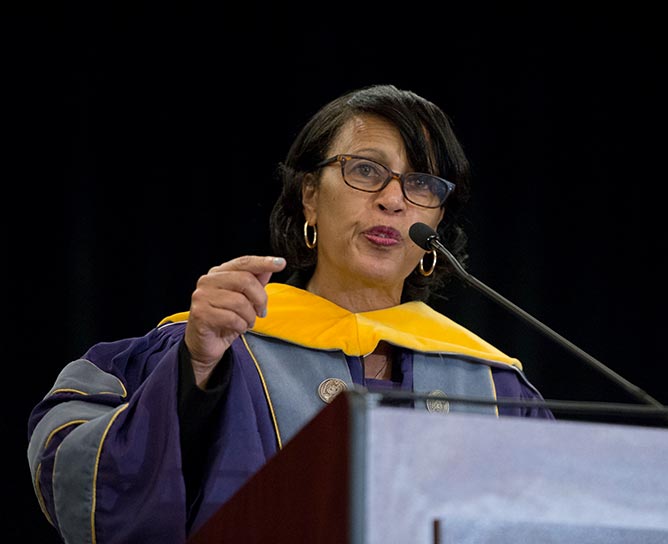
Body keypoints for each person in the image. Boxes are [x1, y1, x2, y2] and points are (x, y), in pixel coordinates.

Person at [27, 83, 555, 543]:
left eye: (422, 184)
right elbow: (73, 459)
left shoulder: (491, 385)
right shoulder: (224, 340)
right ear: (309, 197)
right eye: (366, 170)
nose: (394, 200)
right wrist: (196, 377)